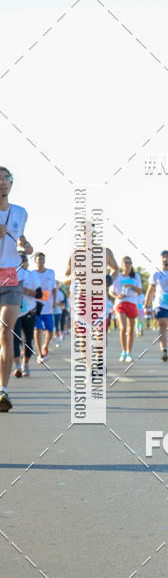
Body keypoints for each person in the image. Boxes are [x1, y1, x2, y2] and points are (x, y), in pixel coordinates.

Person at [0, 166, 33, 411]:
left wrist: (27, 246)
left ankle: (3, 390)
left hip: (12, 276)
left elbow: (22, 244)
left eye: (6, 178)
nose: (2, 182)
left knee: (5, 331)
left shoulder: (20, 212)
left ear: (11, 183)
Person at [110, 256, 142, 362]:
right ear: (122, 264)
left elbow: (139, 292)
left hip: (132, 303)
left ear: (131, 264)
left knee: (131, 330)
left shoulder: (136, 276)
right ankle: (123, 351)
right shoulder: (117, 276)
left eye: (129, 263)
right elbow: (111, 291)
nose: (127, 265)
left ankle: (129, 353)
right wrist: (117, 296)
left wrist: (131, 286)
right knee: (123, 328)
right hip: (121, 303)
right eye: (125, 263)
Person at [12, 253, 38, 378]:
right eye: (19, 259)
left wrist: (26, 291)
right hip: (14, 311)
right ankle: (17, 366)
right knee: (15, 339)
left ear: (27, 262)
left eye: (24, 259)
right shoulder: (9, 273)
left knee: (28, 340)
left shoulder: (31, 275)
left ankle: (25, 364)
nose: (22, 261)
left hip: (29, 311)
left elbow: (39, 294)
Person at [29, 252, 57, 364]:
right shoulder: (32, 274)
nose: (41, 261)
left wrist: (54, 302)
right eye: (39, 259)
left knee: (50, 332)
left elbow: (54, 289)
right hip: (35, 306)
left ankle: (45, 346)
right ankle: (40, 354)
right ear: (35, 261)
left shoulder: (51, 272)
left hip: (48, 307)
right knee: (38, 329)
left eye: (42, 259)